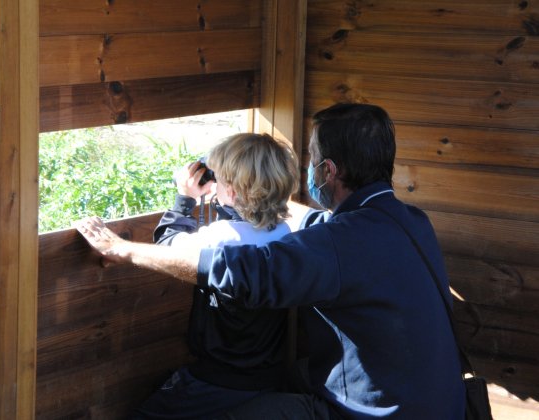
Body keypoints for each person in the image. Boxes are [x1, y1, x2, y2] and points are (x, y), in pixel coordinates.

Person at [75, 103, 466, 419]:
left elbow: (242, 273)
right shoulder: (409, 221)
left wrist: (123, 249)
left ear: (328, 171)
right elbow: (319, 223)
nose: (310, 168)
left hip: (372, 412)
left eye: (313, 158)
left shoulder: (336, 243)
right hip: (437, 403)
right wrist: (259, 197)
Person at [134, 133, 300, 419]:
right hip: (267, 377)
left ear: (233, 192)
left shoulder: (220, 239)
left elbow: (168, 248)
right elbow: (247, 225)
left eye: (220, 179)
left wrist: (185, 199)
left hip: (218, 379)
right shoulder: (284, 234)